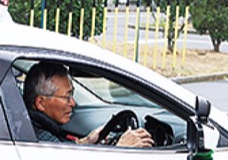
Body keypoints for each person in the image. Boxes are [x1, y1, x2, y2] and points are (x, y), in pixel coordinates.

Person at [23, 61, 153, 147]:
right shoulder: (38, 139)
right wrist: (121, 148)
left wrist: (85, 141)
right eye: (66, 97)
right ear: (40, 103)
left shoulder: (30, 126)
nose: (73, 103)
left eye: (72, 95)